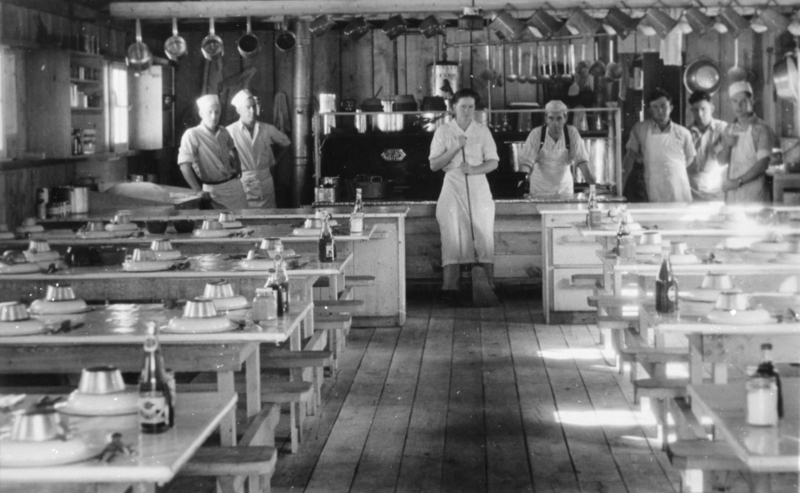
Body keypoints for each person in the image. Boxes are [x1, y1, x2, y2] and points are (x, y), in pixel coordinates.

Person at [429, 89, 499, 298]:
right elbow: (434, 165)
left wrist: (475, 169)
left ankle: (488, 288)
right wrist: (454, 148)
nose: (467, 111)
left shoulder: (482, 131)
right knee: (452, 237)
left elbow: (493, 162)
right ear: (453, 107)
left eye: (471, 107)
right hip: (452, 186)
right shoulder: (443, 131)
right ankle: (450, 288)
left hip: (478, 188)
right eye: (463, 107)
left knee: (484, 235)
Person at [622, 88, 696, 203]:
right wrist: (621, 184)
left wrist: (672, 170)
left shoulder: (683, 132)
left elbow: (690, 156)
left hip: (679, 185)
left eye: (663, 106)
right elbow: (630, 155)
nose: (660, 111)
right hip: (653, 184)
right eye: (655, 107)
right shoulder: (640, 129)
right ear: (650, 110)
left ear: (671, 107)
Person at [177, 94, 248, 210]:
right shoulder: (192, 134)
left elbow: (232, 147)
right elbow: (184, 166)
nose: (214, 116)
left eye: (217, 112)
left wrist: (238, 165)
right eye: (209, 112)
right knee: (221, 220)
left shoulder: (224, 131)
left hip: (235, 186)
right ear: (201, 114)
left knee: (244, 218)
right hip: (213, 191)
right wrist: (198, 190)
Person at [227, 89, 292, 208]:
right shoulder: (230, 131)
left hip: (265, 181)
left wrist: (276, 160)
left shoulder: (266, 129)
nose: (252, 111)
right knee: (245, 216)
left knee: (268, 216)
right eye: (248, 107)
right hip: (243, 182)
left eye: (253, 106)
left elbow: (286, 142)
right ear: (238, 110)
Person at [518, 99, 595, 195]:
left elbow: (582, 162)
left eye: (559, 118)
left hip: (564, 191)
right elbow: (526, 163)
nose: (555, 123)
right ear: (546, 118)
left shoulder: (572, 133)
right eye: (551, 118)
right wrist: (520, 183)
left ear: (565, 118)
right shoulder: (536, 134)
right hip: (539, 190)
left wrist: (593, 186)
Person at [717, 81, 776, 203]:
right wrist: (727, 146)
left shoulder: (761, 129)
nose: (738, 106)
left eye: (743, 101)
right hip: (733, 195)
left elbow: (763, 164)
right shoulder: (729, 129)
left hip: (754, 194)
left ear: (752, 101)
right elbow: (721, 161)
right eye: (735, 101)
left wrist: (738, 182)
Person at [687, 91, 727, 201]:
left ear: (712, 108)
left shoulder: (723, 128)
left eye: (703, 109)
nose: (699, 114)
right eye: (695, 110)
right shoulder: (687, 133)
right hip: (693, 190)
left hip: (717, 188)